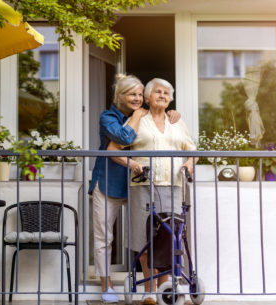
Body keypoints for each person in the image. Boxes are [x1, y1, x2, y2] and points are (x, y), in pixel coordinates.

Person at [88, 74, 180, 303]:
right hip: (108, 182)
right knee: (104, 237)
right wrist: (139, 114)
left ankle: (157, 287)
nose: (138, 99)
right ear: (120, 96)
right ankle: (106, 285)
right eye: (132, 94)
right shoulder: (108, 116)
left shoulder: (144, 117)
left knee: (148, 235)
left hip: (137, 186)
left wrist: (170, 114)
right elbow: (122, 136)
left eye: (140, 94)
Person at [108, 78, 196, 305]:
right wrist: (134, 165)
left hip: (173, 186)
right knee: (144, 238)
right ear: (147, 97)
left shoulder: (176, 122)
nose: (163, 95)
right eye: (158, 91)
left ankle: (165, 290)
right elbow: (113, 150)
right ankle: (149, 290)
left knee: (169, 238)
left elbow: (192, 149)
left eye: (167, 93)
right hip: (143, 186)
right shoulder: (137, 121)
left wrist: (189, 164)